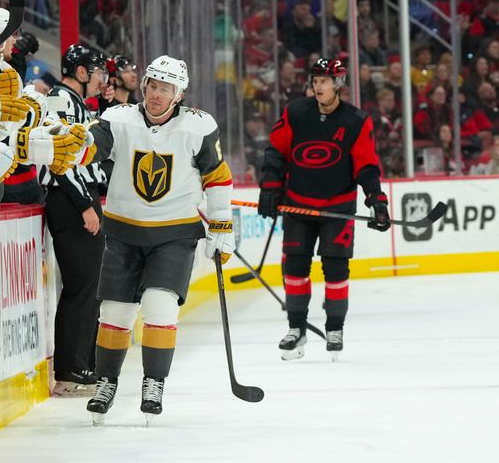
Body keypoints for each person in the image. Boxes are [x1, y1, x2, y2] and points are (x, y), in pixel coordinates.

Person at [72, 55, 235, 423]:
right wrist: (67, 144)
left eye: (166, 88)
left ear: (178, 94)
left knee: (160, 308)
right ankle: (107, 383)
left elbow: (218, 178)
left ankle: (153, 383)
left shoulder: (198, 126)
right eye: (153, 85)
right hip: (124, 233)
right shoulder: (118, 118)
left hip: (174, 236)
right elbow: (89, 148)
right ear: (143, 85)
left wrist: (222, 227)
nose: (156, 94)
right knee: (114, 314)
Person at [258, 58, 389, 361]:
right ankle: (296, 328)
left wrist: (376, 200)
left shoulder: (356, 120)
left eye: (325, 81)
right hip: (298, 205)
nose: (318, 86)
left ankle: (335, 328)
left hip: (337, 208)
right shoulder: (295, 112)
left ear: (338, 85)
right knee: (294, 267)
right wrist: (269, 185)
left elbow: (366, 166)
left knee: (335, 267)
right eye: (315, 80)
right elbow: (276, 150)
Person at [42, 44, 108, 395]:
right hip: (69, 200)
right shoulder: (59, 100)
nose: (102, 79)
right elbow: (59, 158)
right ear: (81, 72)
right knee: (81, 285)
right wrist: (84, 203)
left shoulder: (76, 102)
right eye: (97, 72)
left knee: (90, 285)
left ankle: (84, 362)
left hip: (80, 197)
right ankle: (71, 367)